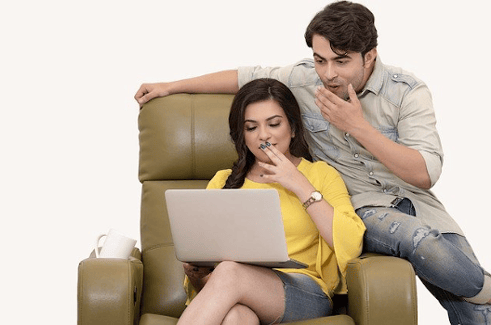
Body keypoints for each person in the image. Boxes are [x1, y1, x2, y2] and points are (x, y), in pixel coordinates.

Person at [135, 2, 491, 325]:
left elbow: (424, 174)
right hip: (363, 205)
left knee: (473, 305)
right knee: (236, 316)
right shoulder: (232, 172)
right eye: (321, 60)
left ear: (369, 57)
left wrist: (356, 128)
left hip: (411, 203)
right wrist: (170, 86)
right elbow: (246, 76)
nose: (328, 73)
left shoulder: (405, 94)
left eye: (341, 61)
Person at [178, 78, 365, 325]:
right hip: (238, 292)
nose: (263, 135)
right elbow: (208, 282)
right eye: (251, 127)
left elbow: (352, 245)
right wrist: (196, 273)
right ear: (242, 135)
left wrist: (299, 184)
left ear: (293, 127)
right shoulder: (222, 181)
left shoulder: (321, 175)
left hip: (305, 292)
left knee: (230, 271)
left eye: (274, 124)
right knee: (236, 318)